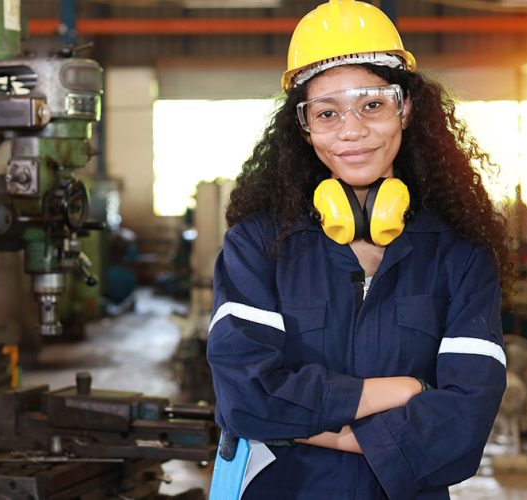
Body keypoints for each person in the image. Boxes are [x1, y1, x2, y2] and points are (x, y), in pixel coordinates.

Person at [206, 1, 511, 499]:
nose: (351, 130)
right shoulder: (259, 244)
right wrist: (401, 391)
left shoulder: (460, 254)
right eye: (327, 113)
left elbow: (465, 422)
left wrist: (304, 424)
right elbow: (244, 397)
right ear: (305, 127)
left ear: (404, 108)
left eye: (372, 105)